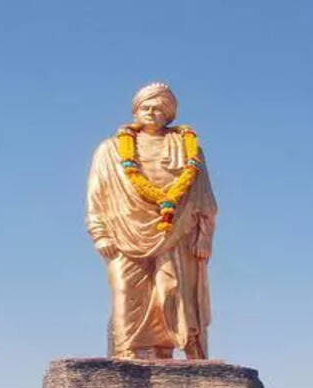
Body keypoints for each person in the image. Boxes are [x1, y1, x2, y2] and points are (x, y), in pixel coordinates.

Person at [86, 82, 217, 359]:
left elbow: (204, 198)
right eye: (146, 107)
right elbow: (97, 194)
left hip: (177, 229)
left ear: (169, 115)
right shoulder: (110, 150)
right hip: (124, 231)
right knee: (126, 291)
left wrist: (204, 236)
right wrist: (100, 232)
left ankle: (163, 352)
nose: (151, 113)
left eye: (159, 109)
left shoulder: (189, 148)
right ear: (135, 110)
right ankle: (126, 352)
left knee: (171, 293)